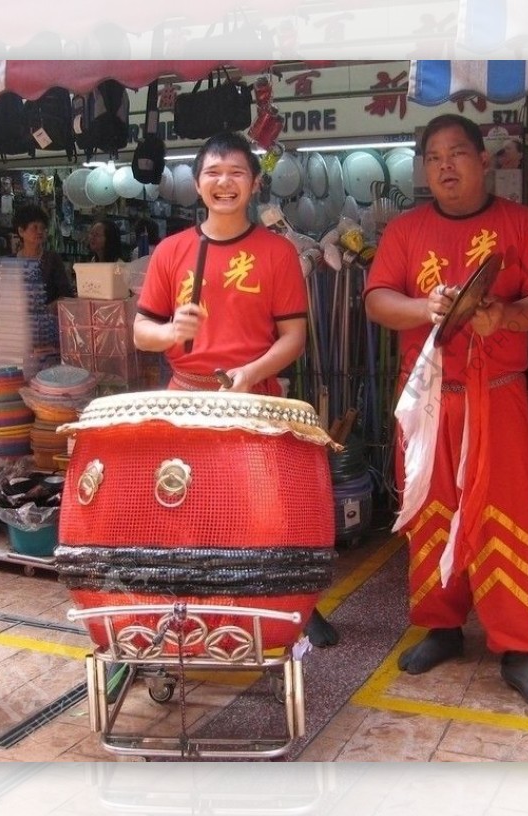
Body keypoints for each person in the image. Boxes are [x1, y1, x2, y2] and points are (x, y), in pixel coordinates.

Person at [364, 113, 528, 717]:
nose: (445, 166)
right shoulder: (404, 230)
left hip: (497, 393)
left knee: (504, 515)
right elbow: (377, 300)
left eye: (457, 153)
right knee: (429, 512)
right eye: (433, 157)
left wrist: (502, 316)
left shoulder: (521, 225)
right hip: (427, 396)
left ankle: (518, 646)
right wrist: (424, 307)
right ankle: (442, 626)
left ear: (485, 159)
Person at [132, 131, 337, 648]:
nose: (224, 183)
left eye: (236, 173)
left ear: (255, 183)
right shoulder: (171, 251)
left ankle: (291, 604)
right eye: (213, 173)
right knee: (191, 508)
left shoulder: (276, 253)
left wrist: (249, 373)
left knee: (269, 509)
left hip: (256, 395)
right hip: (187, 396)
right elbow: (142, 333)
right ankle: (196, 610)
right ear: (199, 183)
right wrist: (171, 333)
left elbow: (294, 337)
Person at [13, 203, 75, 303]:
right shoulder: (11, 262)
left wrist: (48, 309)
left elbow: (67, 295)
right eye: (35, 227)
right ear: (21, 231)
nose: (40, 231)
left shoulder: (52, 260)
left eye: (43, 228)